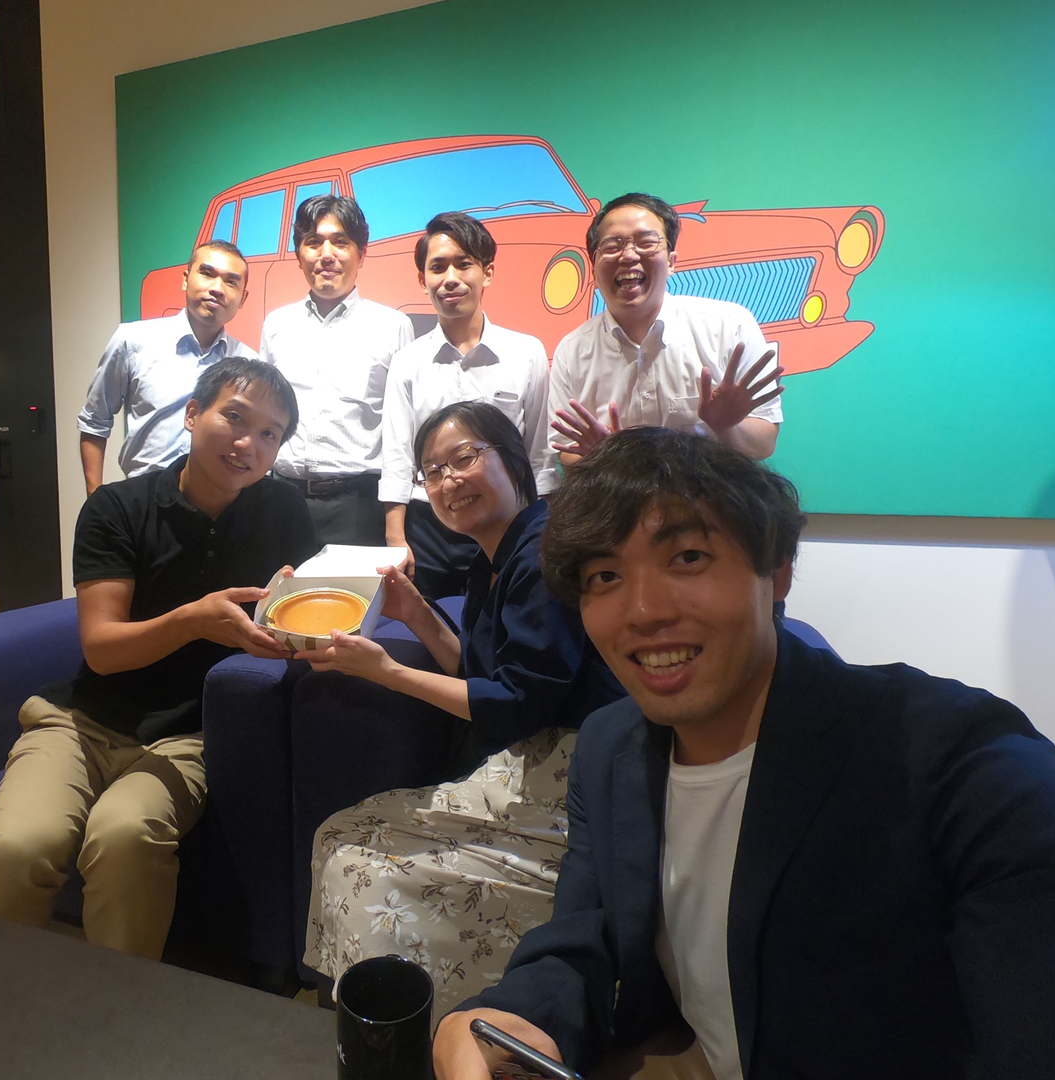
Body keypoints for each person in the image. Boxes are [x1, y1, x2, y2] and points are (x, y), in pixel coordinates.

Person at [434, 428, 1055, 1080]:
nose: (643, 611)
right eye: (605, 577)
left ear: (778, 569)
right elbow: (587, 936)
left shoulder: (954, 756)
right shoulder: (610, 748)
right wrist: (510, 1017)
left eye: (687, 557)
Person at [0, 358, 318, 959]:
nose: (248, 443)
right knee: (19, 845)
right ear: (192, 414)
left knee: (124, 835)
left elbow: (302, 613)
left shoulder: (283, 510)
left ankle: (118, 1007)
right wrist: (193, 620)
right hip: (83, 723)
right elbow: (101, 650)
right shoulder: (118, 507)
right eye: (234, 417)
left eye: (269, 433)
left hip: (190, 735)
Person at [298, 402, 625, 1016]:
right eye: (432, 471)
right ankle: (379, 1019)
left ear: (514, 459)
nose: (448, 481)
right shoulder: (491, 562)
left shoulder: (545, 554)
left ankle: (416, 1021)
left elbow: (516, 703)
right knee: (339, 836)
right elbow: (479, 677)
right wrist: (416, 613)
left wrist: (388, 672)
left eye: (465, 458)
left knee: (351, 852)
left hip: (573, 780)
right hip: (525, 766)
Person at [380, 212, 553, 599]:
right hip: (429, 525)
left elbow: (539, 455)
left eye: (464, 264)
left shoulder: (526, 353)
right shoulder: (407, 361)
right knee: (430, 624)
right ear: (422, 279)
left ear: (487, 273)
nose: (451, 278)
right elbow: (396, 455)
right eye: (438, 267)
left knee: (503, 621)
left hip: (506, 521)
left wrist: (544, 531)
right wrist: (396, 537)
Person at [547, 194, 784, 466]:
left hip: (714, 492)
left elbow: (764, 443)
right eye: (612, 246)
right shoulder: (572, 351)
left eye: (646, 242)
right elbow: (565, 451)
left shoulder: (731, 325)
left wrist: (725, 427)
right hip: (615, 494)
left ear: (671, 261)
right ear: (593, 270)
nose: (629, 255)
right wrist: (603, 456)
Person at [261, 194, 414, 545]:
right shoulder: (276, 325)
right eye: (313, 242)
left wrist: (395, 527)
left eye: (340, 242)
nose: (326, 254)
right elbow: (264, 419)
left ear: (362, 253)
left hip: (359, 506)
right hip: (282, 501)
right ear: (298, 255)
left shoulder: (393, 326)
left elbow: (401, 433)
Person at [78, 240, 257, 495]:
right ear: (185, 279)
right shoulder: (133, 341)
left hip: (220, 505)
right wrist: (95, 499)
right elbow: (95, 420)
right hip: (143, 498)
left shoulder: (249, 366)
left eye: (231, 282)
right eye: (207, 273)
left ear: (243, 298)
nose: (217, 288)